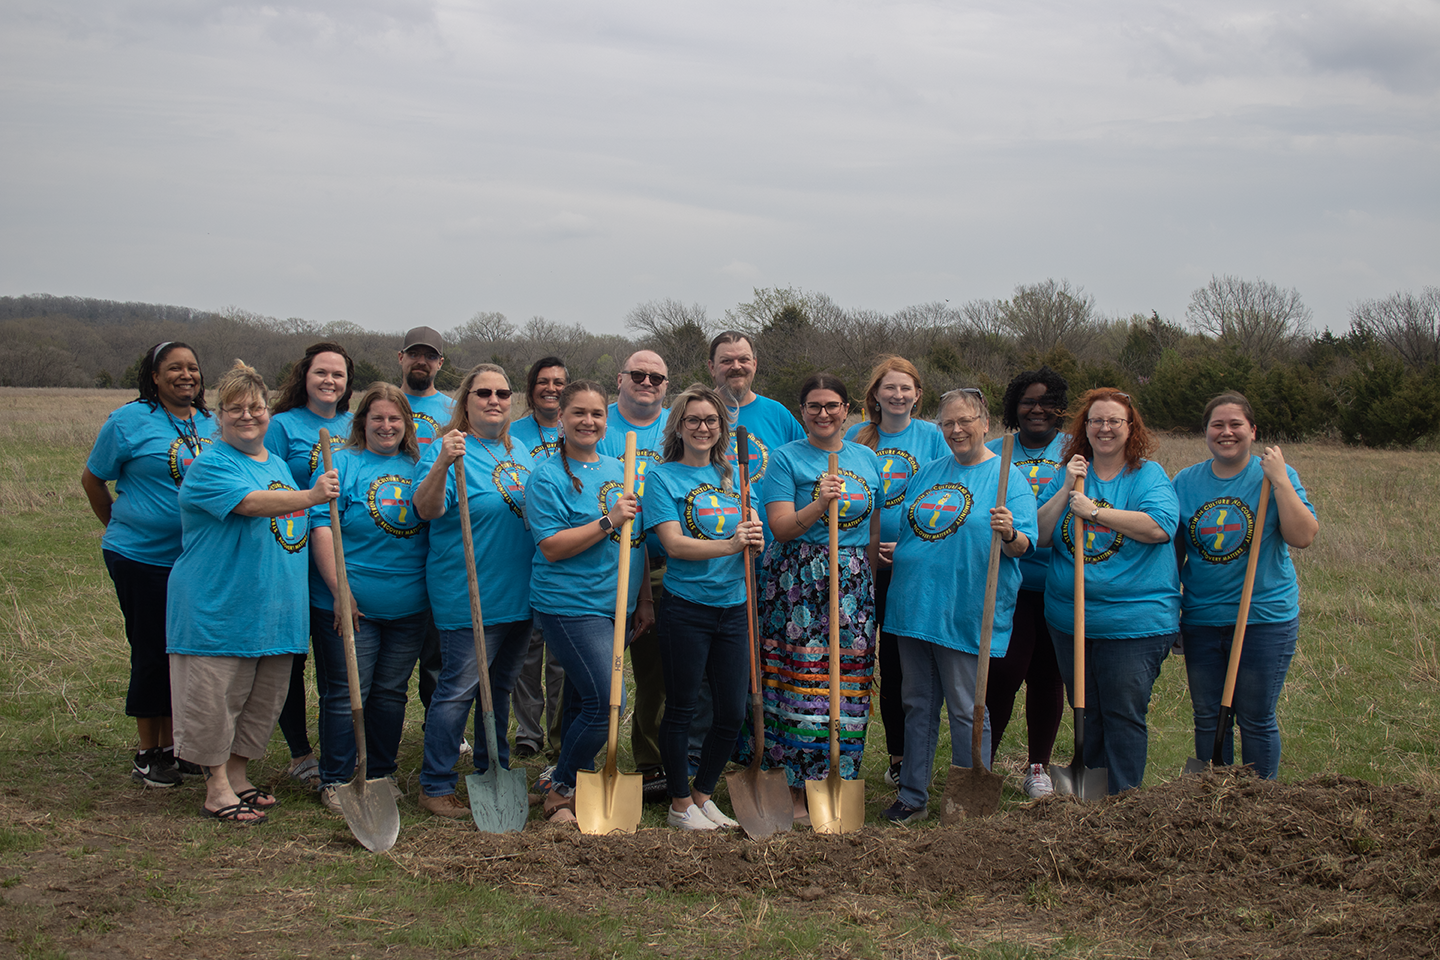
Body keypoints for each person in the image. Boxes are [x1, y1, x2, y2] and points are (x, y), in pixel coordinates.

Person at [167, 361, 339, 822]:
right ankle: (216, 787)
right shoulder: (210, 466)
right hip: (219, 606)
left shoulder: (278, 463)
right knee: (216, 698)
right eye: (235, 409)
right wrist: (311, 495)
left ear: (268, 412)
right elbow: (249, 503)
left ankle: (238, 775)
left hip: (274, 610)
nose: (248, 416)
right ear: (217, 416)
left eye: (256, 407)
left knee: (260, 701)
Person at [882, 387, 1037, 822]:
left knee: (969, 708)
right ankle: (912, 795)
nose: (956, 429)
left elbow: (1024, 546)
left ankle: (971, 798)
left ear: (985, 423)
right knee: (917, 704)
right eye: (947, 422)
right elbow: (919, 526)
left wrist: (1009, 533)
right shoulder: (929, 471)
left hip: (965, 609)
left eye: (964, 420)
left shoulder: (1007, 477)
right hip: (914, 607)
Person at [81, 341, 215, 786]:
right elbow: (93, 478)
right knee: (152, 648)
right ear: (154, 377)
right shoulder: (129, 421)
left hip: (194, 560)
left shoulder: (210, 423)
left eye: (192, 368)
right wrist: (118, 525)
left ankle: (180, 747)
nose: (186, 375)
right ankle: (149, 751)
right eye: (174, 368)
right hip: (140, 557)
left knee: (186, 650)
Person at [749, 373, 881, 823]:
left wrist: (870, 581)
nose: (823, 414)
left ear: (848, 410)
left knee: (847, 681)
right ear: (802, 411)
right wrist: (818, 504)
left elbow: (873, 527)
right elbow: (781, 528)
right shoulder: (786, 459)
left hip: (852, 583)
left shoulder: (866, 459)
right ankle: (793, 788)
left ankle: (835, 780)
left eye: (832, 406)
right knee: (800, 681)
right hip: (797, 581)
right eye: (813, 407)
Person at [1036, 388, 1180, 794]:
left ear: (1130, 428)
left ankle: (1124, 801)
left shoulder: (1146, 474)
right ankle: (1093, 797)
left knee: (1122, 712)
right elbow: (1042, 534)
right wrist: (1066, 491)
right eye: (1096, 420)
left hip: (1133, 621)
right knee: (1087, 710)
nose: (1104, 428)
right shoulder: (1068, 473)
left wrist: (1095, 512)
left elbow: (1160, 527)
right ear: (1084, 427)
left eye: (1114, 421)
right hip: (1071, 621)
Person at [411, 364, 536, 817]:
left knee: (499, 689)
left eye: (503, 393)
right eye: (483, 392)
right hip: (469, 592)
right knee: (458, 690)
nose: (494, 400)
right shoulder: (449, 447)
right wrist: (443, 462)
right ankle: (436, 783)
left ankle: (493, 768)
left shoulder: (518, 449)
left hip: (517, 594)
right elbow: (425, 510)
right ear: (466, 399)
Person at [527, 381, 654, 824]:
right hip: (568, 604)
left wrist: (644, 598)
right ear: (560, 418)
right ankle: (561, 785)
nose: (588, 421)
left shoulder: (622, 468)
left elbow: (635, 542)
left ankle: (570, 776)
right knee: (608, 699)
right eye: (578, 413)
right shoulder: (546, 476)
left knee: (587, 698)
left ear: (607, 419)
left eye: (597, 414)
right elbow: (551, 546)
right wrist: (608, 519)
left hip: (614, 604)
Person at [1173, 392, 1318, 779]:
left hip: (1263, 617)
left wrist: (1281, 480)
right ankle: (1212, 797)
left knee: (1255, 717)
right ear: (1205, 432)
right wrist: (1172, 611)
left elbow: (1302, 536)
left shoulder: (1272, 478)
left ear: (1253, 431)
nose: (1226, 432)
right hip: (1202, 618)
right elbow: (1173, 556)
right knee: (1207, 716)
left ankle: (1261, 807)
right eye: (1217, 425)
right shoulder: (1186, 482)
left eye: (1235, 424)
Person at [645, 384, 765, 830]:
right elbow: (673, 544)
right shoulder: (663, 477)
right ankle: (679, 806)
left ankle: (702, 795)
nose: (702, 427)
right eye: (693, 420)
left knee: (732, 712)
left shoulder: (733, 477)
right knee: (682, 708)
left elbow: (752, 539)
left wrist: (753, 538)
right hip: (687, 608)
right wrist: (730, 543)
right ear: (678, 425)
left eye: (711, 421)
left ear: (722, 428)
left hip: (734, 607)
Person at [308, 383, 429, 814]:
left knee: (390, 693)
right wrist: (341, 592)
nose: (386, 425)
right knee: (345, 693)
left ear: (407, 425)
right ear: (362, 422)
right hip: (350, 607)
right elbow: (321, 529)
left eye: (395, 418)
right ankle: (338, 777)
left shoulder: (419, 467)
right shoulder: (341, 464)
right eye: (377, 418)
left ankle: (380, 771)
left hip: (409, 607)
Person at [844, 355, 947, 790]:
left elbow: (947, 495)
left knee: (901, 665)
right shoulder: (856, 437)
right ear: (876, 395)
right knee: (857, 660)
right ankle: (844, 752)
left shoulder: (933, 437)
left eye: (906, 388)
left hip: (911, 566)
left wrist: (909, 545)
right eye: (890, 388)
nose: (898, 395)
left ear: (918, 395)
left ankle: (902, 757)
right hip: (862, 566)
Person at [265, 341, 355, 788]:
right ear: (305, 376)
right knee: (291, 657)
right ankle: (301, 753)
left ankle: (342, 746)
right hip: (291, 551)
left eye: (337, 375)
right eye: (321, 372)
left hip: (335, 556)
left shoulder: (352, 425)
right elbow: (266, 480)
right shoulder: (282, 426)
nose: (329, 381)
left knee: (333, 658)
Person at [983, 366, 1070, 798]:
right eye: (1027, 401)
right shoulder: (996, 451)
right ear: (1013, 407)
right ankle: (984, 764)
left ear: (1060, 407)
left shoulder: (1074, 452)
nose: (1037, 409)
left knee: (1047, 677)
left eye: (1046, 401)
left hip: (1057, 583)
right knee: (1002, 672)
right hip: (1008, 584)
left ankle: (1038, 765)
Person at [597, 351, 670, 799]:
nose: (647, 382)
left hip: (662, 564)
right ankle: (575, 756)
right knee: (591, 668)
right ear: (620, 378)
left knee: (654, 672)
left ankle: (650, 762)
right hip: (601, 561)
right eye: (638, 375)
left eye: (656, 377)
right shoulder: (599, 423)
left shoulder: (675, 427)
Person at [396, 326, 462, 759]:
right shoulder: (387, 405)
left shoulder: (452, 410)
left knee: (439, 651)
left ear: (440, 362)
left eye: (430, 356)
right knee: (399, 650)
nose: (422, 361)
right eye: (414, 354)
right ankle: (387, 732)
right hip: (394, 531)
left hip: (440, 537)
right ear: (401, 358)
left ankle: (445, 734)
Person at [509, 356, 569, 762]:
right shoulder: (512, 435)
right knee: (525, 653)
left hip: (568, 562)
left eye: (560, 382)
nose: (552, 388)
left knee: (562, 658)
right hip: (520, 557)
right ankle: (528, 731)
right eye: (543, 382)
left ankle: (561, 729)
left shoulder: (581, 429)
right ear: (530, 390)